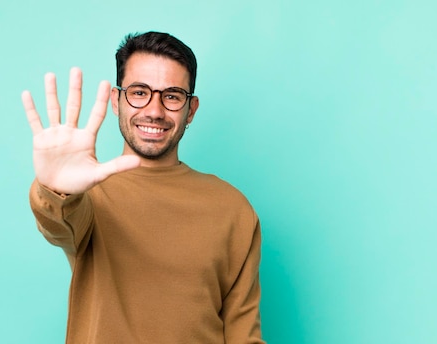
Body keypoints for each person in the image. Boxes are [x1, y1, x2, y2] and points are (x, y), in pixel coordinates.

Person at [22, 31, 265, 344]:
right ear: (116, 100)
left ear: (191, 110)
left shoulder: (233, 209)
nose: (154, 110)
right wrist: (55, 188)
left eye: (173, 96)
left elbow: (243, 334)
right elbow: (58, 224)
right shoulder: (88, 197)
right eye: (139, 92)